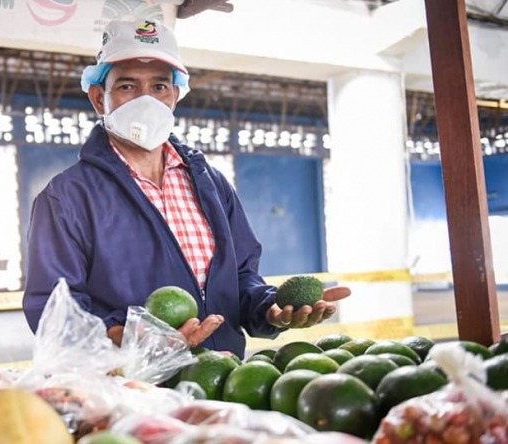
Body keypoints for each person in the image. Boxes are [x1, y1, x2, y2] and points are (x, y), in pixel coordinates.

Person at [22, 19, 350, 358]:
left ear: (175, 95)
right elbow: (54, 311)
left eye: (160, 87)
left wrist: (271, 309)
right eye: (127, 87)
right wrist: (130, 340)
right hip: (133, 390)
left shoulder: (210, 183)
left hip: (222, 376)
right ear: (98, 98)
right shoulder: (67, 198)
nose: (146, 101)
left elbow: (240, 279)